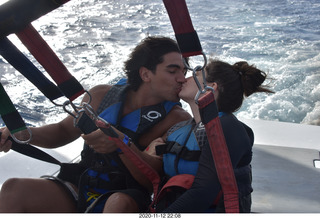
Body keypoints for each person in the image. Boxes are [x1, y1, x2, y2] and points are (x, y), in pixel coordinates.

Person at [0, 36, 191, 213]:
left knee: (117, 203)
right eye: (173, 71)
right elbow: (62, 131)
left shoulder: (177, 119)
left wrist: (122, 145)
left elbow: (152, 180)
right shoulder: (100, 96)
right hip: (82, 184)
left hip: (127, 197)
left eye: (184, 72)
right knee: (13, 189)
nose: (182, 78)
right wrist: (22, 134)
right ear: (146, 74)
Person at [145, 59, 274, 212]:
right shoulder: (178, 130)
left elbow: (203, 192)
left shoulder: (227, 128)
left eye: (196, 75)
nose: (184, 79)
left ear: (210, 88)